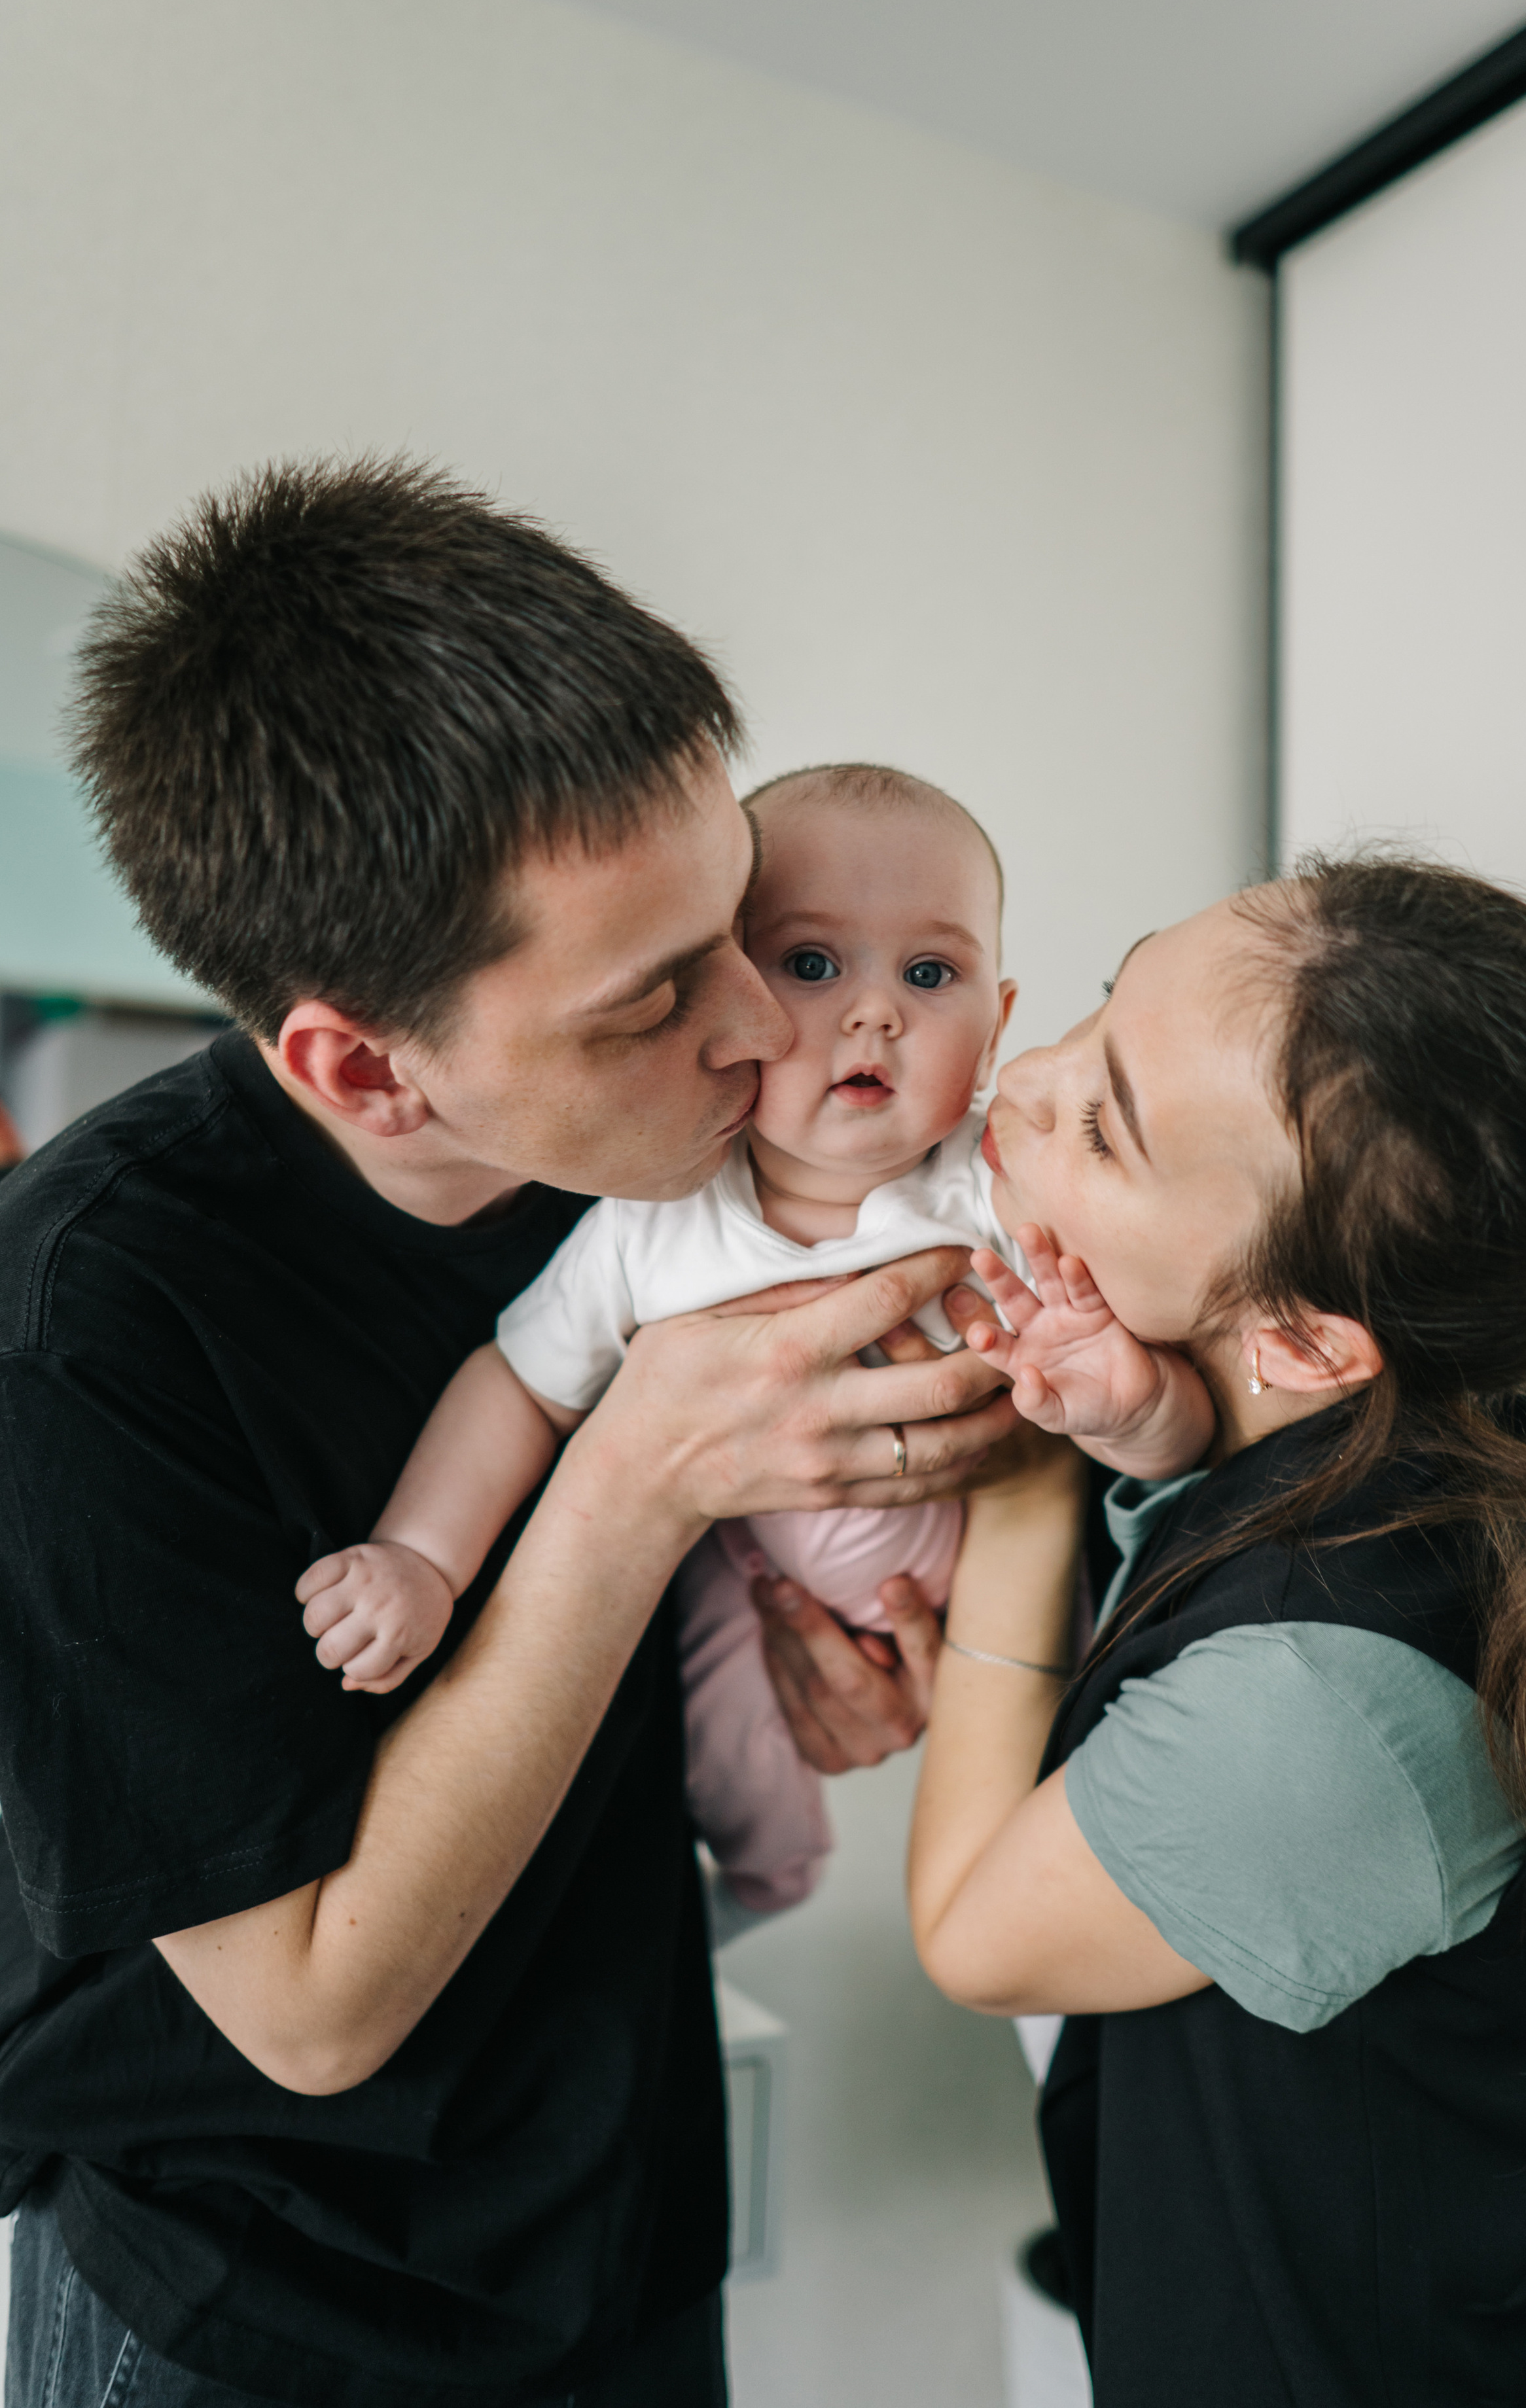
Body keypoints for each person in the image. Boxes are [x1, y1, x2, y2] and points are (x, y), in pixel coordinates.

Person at [0, 456, 1017, 2408]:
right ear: (365, 1069)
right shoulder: (81, 1334)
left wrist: (833, 1663)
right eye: (655, 1000)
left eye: (749, 922)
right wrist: (642, 1475)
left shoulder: (667, 1161)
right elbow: (306, 2012)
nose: (762, 1029)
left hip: (620, 2213)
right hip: (261, 2300)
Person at [834, 856, 1526, 2405]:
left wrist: (1017, 1499)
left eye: (1101, 1124)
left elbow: (974, 1934)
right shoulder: (1446, 1431)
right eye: (1098, 1008)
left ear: (1299, 1338)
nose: (1018, 1078)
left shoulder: (1326, 1703)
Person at [293, 764, 1213, 1924]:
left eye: (931, 974)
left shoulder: (1005, 1190)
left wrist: (1140, 1414)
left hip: (1003, 1583)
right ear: (717, 1000)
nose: (876, 1012)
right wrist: (424, 1557)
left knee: (1071, 1781)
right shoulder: (653, 1223)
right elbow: (518, 1386)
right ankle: (773, 1881)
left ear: (998, 1028)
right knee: (721, 1740)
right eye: (813, 965)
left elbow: (1175, 1432)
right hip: (758, 1569)